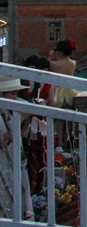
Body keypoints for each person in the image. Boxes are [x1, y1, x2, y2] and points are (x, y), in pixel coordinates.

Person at [0, 77, 34, 220]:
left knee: (21, 189)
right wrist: (10, 134)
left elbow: (29, 115)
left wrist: (20, 129)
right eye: (12, 94)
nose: (15, 98)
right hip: (4, 161)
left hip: (16, 158)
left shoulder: (13, 110)